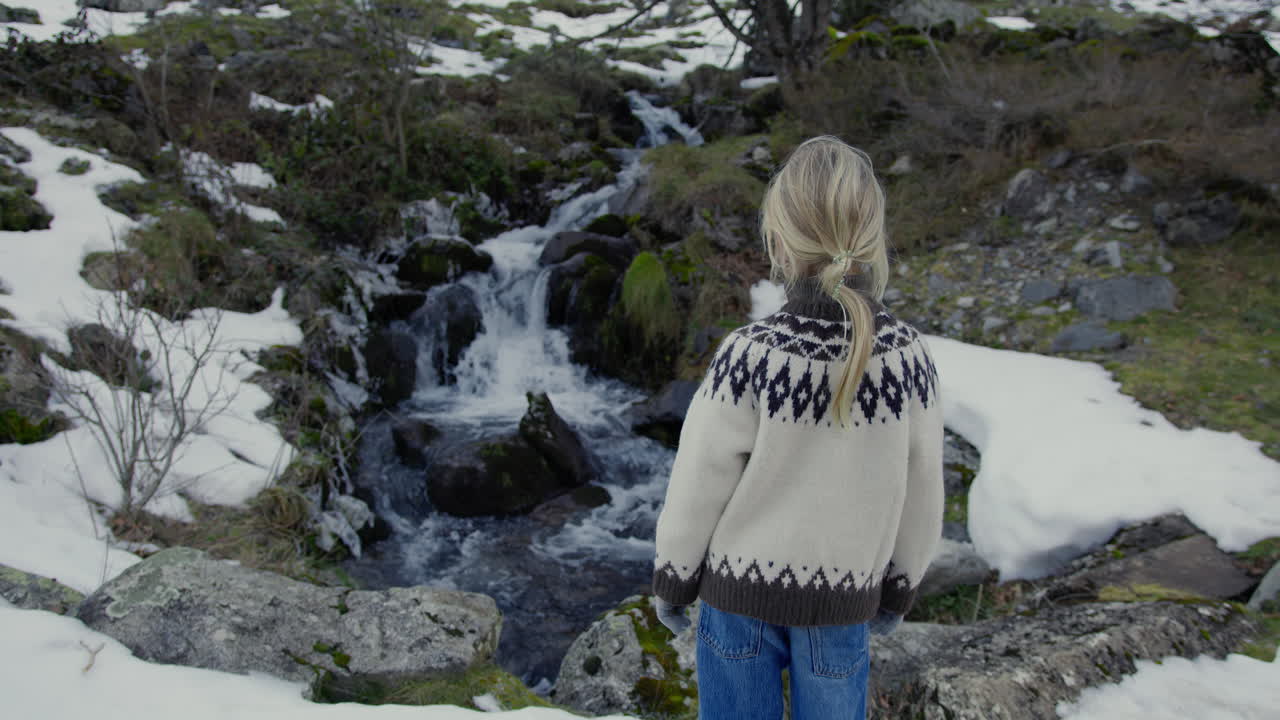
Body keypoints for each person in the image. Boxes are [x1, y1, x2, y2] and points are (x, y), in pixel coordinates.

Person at [650, 135, 944, 720]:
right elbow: (923, 486)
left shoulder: (750, 354)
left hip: (739, 598)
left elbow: (700, 479)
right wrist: (901, 586)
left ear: (778, 239)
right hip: (844, 603)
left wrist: (674, 578)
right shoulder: (908, 357)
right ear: (871, 239)